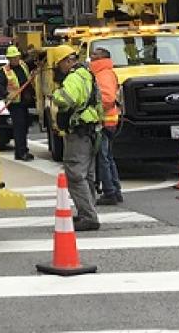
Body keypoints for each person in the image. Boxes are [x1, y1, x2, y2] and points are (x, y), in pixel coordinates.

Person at [51, 44, 103, 231]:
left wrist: (54, 94)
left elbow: (66, 99)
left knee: (75, 175)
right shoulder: (87, 74)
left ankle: (88, 216)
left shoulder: (73, 78)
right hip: (90, 130)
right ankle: (89, 211)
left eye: (59, 65)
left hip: (79, 131)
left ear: (66, 61)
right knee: (88, 175)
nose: (59, 69)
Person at [90, 46, 123, 206]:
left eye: (95, 54)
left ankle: (110, 192)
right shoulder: (106, 72)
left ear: (102, 57)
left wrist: (96, 113)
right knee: (108, 157)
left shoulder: (102, 74)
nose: (91, 56)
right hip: (110, 121)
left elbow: (107, 98)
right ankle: (115, 190)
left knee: (103, 158)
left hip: (104, 121)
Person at [0, 45, 34, 161]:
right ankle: (20, 152)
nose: (15, 60)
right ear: (9, 59)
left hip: (24, 102)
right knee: (19, 128)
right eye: (12, 58)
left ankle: (23, 150)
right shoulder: (4, 71)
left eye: (16, 57)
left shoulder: (23, 65)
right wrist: (7, 95)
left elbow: (32, 63)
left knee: (25, 126)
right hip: (15, 104)